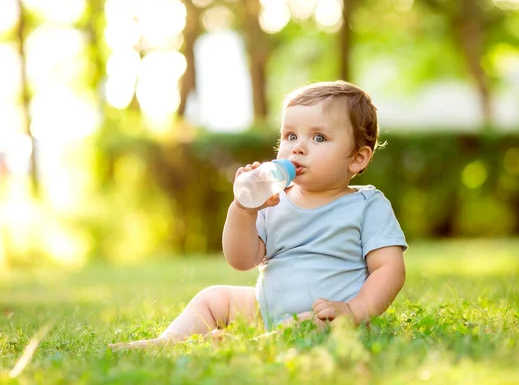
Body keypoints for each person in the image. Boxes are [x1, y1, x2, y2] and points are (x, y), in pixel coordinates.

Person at [109, 80, 407, 349]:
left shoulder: (368, 205)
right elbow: (241, 260)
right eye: (290, 136)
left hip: (327, 316)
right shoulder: (273, 201)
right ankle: (166, 343)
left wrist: (354, 311)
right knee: (214, 298)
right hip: (266, 310)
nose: (298, 148)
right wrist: (244, 209)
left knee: (309, 325)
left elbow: (388, 269)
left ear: (357, 158)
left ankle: (248, 347)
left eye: (318, 138)